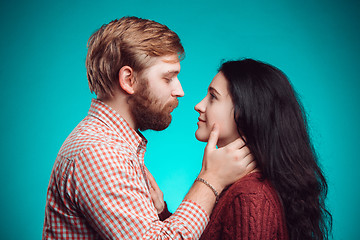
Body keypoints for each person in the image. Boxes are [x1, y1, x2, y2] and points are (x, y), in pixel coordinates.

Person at [42, 17, 255, 239]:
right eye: (168, 78)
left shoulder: (111, 145)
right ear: (128, 80)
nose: (180, 90)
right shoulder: (99, 153)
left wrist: (161, 212)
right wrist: (211, 179)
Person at [191, 59, 332, 239]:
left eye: (213, 97)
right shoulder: (236, 187)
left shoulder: (249, 197)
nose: (199, 106)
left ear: (245, 111)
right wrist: (161, 212)